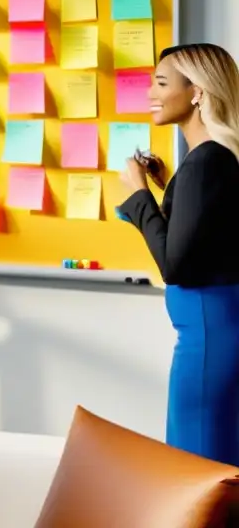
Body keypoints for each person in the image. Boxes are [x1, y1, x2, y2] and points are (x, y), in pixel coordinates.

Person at [117, 43, 239, 466]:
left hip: (207, 340)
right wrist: (167, 184)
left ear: (198, 93)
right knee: (216, 464)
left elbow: (177, 266)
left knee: (197, 467)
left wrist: (137, 194)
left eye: (161, 82)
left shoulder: (206, 162)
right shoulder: (218, 159)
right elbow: (208, 236)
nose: (150, 91)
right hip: (220, 332)